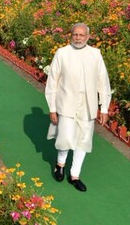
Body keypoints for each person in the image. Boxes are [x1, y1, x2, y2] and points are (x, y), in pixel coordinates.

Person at [45, 23, 112, 192]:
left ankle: (75, 175)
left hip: (88, 105)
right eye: (75, 34)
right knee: (65, 138)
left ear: (88, 37)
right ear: (71, 36)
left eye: (82, 35)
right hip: (66, 103)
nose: (78, 38)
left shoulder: (95, 55)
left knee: (83, 140)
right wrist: (52, 108)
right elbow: (52, 82)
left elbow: (103, 82)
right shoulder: (62, 53)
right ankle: (60, 165)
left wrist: (104, 108)